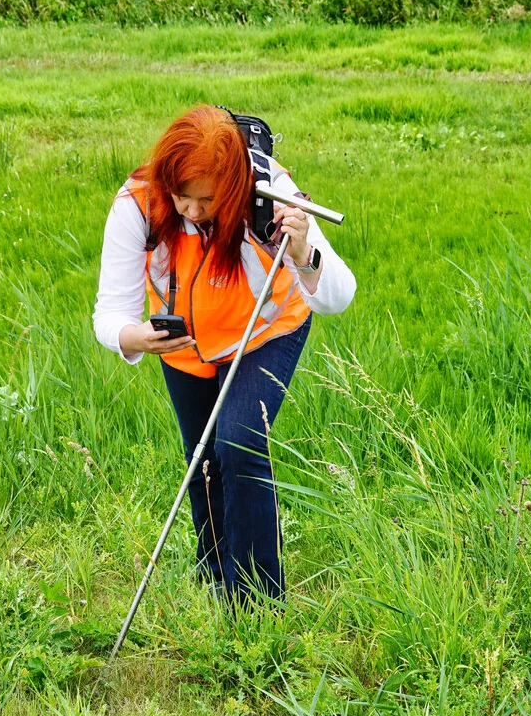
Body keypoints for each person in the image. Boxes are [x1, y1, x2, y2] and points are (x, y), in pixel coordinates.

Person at [93, 105, 357, 605]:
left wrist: (302, 253)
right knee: (203, 461)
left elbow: (338, 297)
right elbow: (110, 313)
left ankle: (256, 604)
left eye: (207, 200)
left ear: (233, 185)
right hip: (185, 346)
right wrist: (135, 337)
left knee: (238, 443)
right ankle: (215, 581)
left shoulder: (272, 197)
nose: (192, 211)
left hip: (265, 332)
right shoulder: (137, 204)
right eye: (182, 196)